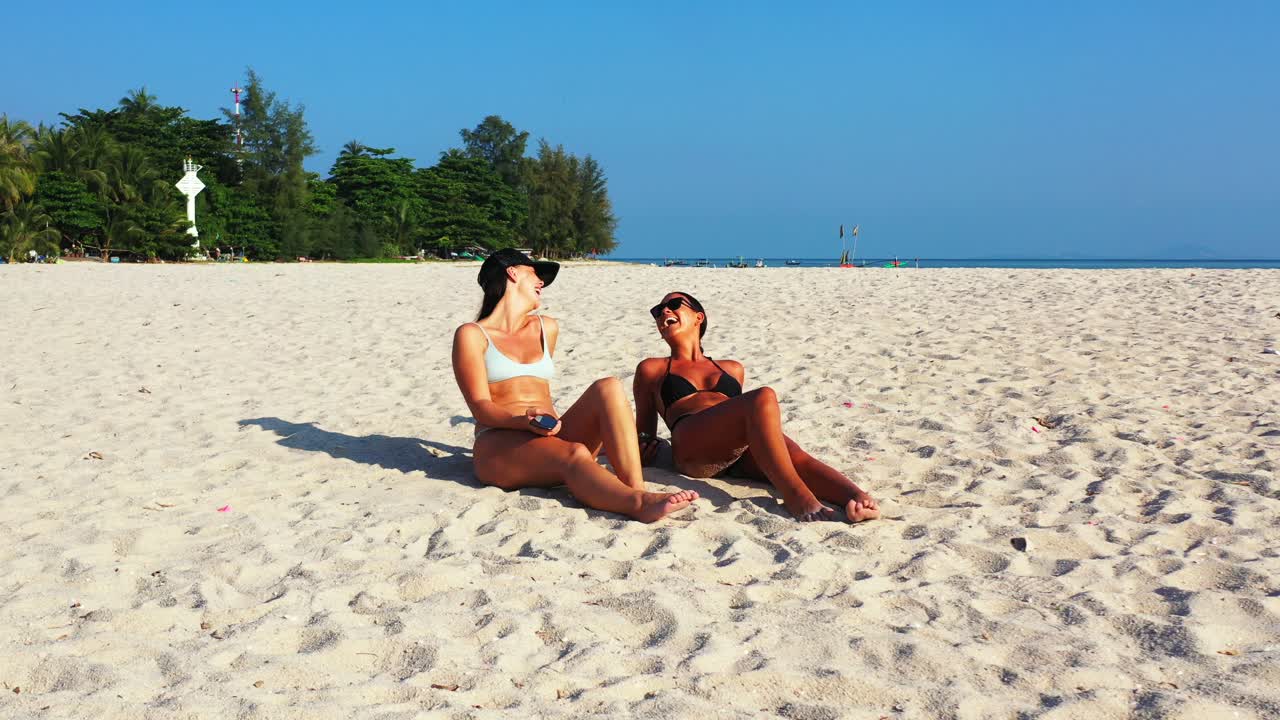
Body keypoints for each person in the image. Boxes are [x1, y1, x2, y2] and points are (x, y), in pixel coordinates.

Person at [452, 249, 698, 522]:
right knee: (575, 452)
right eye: (535, 273)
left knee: (608, 387)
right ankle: (638, 503)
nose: (541, 283)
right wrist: (522, 421)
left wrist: (541, 426)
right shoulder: (472, 334)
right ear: (512, 273)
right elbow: (480, 406)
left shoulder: (546, 327)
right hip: (500, 443)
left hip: (550, 434)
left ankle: (636, 488)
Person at [633, 291, 880, 523]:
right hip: (692, 444)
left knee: (794, 457)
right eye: (658, 311)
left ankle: (855, 497)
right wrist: (643, 445)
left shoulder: (732, 368)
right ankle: (796, 496)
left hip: (733, 450)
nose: (664, 311)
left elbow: (740, 416)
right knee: (762, 397)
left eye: (673, 305)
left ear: (699, 317)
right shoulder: (652, 368)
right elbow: (644, 432)